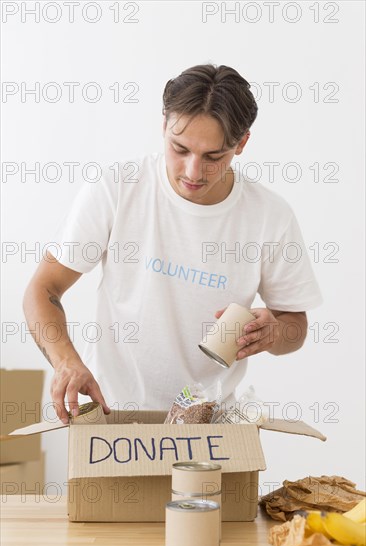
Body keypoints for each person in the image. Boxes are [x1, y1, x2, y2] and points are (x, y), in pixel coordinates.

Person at [23, 64, 322, 424]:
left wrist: (274, 332)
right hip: (111, 419)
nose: (193, 172)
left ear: (241, 143)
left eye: (214, 157)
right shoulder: (118, 188)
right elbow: (42, 290)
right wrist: (67, 364)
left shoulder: (270, 215)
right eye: (180, 149)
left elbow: (296, 326)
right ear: (163, 125)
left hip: (211, 429)